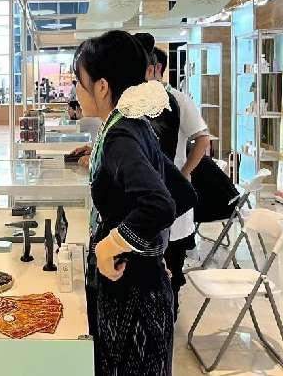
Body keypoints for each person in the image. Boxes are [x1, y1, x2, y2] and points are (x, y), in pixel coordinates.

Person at [74, 30, 176, 375]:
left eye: (79, 82)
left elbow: (160, 203)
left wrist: (110, 245)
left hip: (131, 297)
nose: (76, 91)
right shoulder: (132, 125)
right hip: (143, 283)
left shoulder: (120, 134)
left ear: (102, 86)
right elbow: (180, 191)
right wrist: (153, 248)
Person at [150, 46, 210, 318]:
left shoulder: (177, 100)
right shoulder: (137, 102)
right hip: (149, 198)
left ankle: (170, 314)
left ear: (156, 69)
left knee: (172, 263)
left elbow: (203, 139)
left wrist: (184, 174)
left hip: (174, 197)